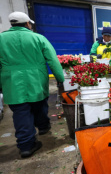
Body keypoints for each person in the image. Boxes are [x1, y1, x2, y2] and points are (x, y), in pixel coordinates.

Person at [0, 12, 64, 158]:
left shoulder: (1, 39)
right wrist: (60, 78)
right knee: (40, 106)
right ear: (28, 24)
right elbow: (52, 59)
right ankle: (43, 127)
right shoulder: (38, 38)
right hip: (36, 81)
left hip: (12, 83)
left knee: (21, 113)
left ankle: (26, 145)